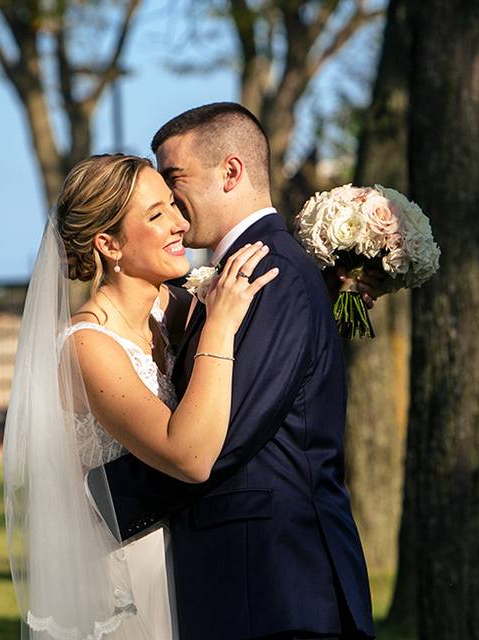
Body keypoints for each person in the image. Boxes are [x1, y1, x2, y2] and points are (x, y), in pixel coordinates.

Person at [92, 102, 377, 639]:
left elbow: (219, 440)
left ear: (231, 172)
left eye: (175, 179)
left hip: (276, 586)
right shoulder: (237, 272)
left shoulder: (268, 272)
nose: (172, 205)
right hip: (251, 585)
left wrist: (96, 502)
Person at [3, 153, 279, 640]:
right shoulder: (86, 346)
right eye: (156, 215)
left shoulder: (172, 310)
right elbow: (188, 457)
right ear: (108, 244)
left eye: (173, 204)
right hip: (132, 576)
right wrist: (218, 327)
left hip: (197, 556)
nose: (179, 222)